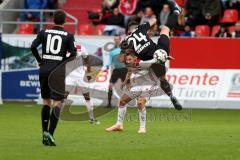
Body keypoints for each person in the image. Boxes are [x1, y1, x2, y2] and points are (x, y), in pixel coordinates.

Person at [31, 10, 77, 146]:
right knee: (57, 103)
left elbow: (33, 47)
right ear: (65, 21)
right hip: (57, 71)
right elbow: (73, 54)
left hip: (44, 69)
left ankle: (44, 133)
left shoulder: (43, 32)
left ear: (53, 20)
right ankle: (50, 134)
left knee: (46, 101)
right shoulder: (69, 35)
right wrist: (62, 62)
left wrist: (40, 60)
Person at [119, 15, 182, 111]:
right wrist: (151, 28)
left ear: (128, 30)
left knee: (151, 82)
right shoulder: (140, 29)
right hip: (158, 53)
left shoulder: (125, 42)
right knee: (165, 30)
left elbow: (122, 60)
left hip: (146, 62)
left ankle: (146, 102)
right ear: (136, 27)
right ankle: (171, 95)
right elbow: (154, 20)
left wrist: (124, 52)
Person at [65, 43, 99, 124]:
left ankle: (92, 118)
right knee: (63, 96)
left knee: (87, 96)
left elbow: (87, 60)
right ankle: (56, 117)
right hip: (69, 75)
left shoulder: (81, 47)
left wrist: (88, 73)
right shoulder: (64, 46)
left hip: (80, 75)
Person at [105, 35, 128, 108]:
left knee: (127, 86)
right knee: (110, 86)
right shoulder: (112, 51)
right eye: (115, 39)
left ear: (120, 40)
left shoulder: (124, 49)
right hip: (116, 70)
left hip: (124, 70)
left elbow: (129, 59)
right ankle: (109, 104)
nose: (116, 40)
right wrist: (107, 66)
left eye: (117, 39)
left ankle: (128, 102)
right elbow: (110, 61)